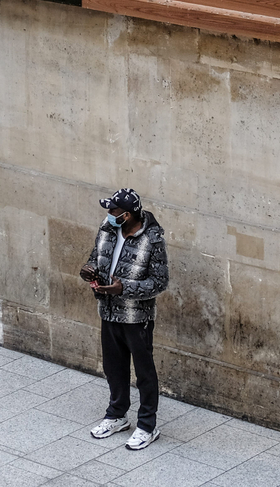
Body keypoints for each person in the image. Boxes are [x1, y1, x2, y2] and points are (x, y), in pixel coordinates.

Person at [79, 188, 168, 451]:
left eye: (114, 211)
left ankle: (147, 427)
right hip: (107, 312)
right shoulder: (107, 229)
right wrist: (89, 269)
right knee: (113, 368)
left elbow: (160, 282)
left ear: (127, 214)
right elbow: (95, 257)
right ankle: (117, 416)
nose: (109, 215)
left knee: (144, 374)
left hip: (136, 318)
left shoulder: (152, 240)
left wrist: (124, 289)